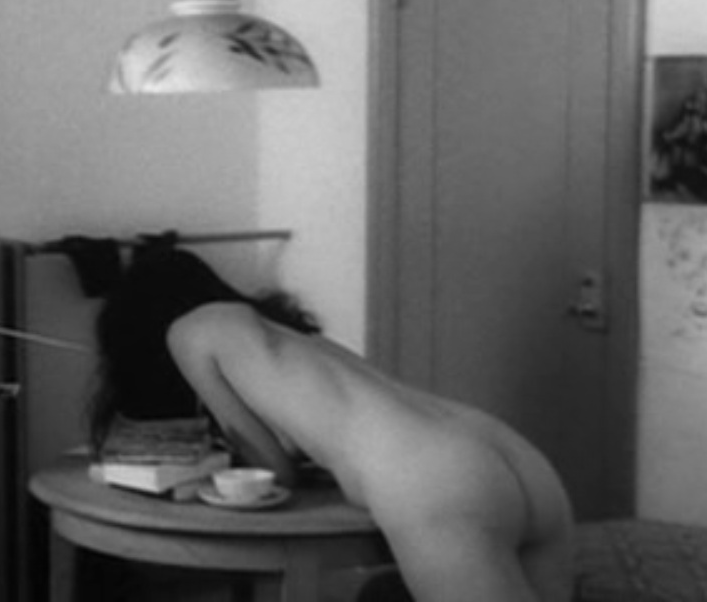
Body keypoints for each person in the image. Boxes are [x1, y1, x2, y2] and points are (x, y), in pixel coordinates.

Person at [89, 248, 575, 602]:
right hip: (505, 449)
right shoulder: (286, 337)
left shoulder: (188, 332)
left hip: (431, 477)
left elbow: (270, 472)